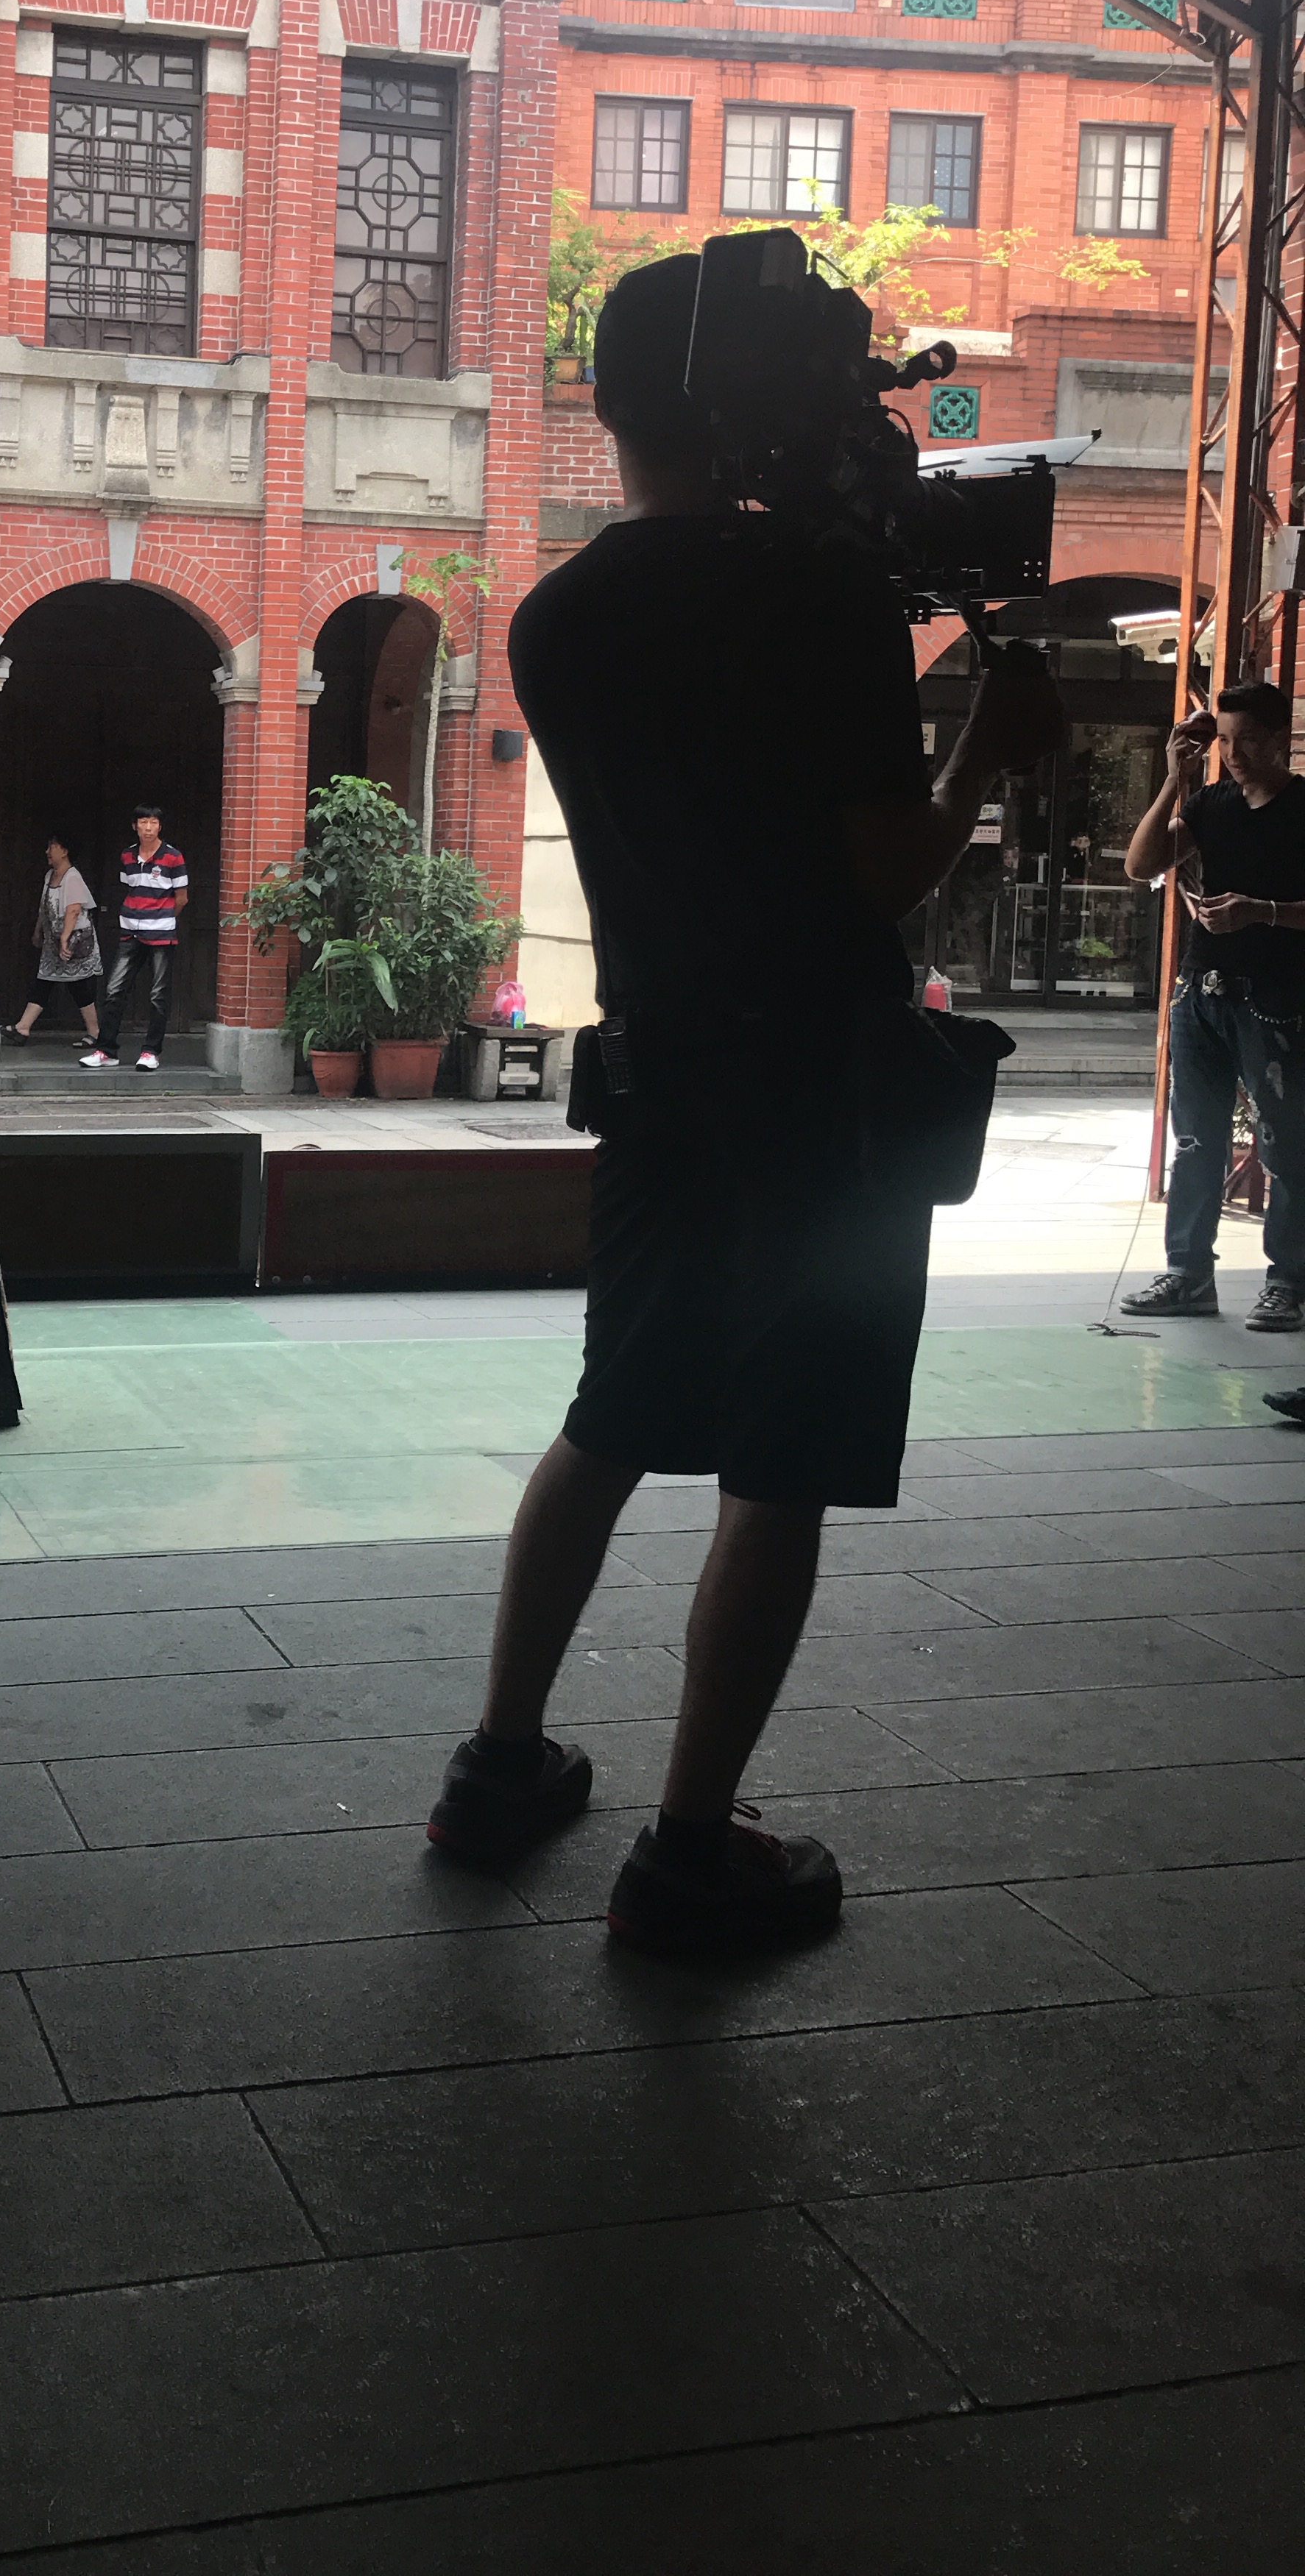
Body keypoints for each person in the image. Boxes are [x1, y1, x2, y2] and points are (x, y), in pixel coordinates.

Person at [422, 252, 1060, 1956]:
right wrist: (984, 743)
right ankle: (692, 1849)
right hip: (822, 1099)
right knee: (781, 1463)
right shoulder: (819, 594)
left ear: (617, 410)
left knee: (611, 1420)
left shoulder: (557, 617)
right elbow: (884, 873)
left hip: (656, 1074)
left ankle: (498, 1766)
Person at [1120, 684, 1305, 1335]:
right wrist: (1175, 779)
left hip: (1278, 999)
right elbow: (1141, 864)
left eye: (1248, 739)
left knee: (1286, 1143)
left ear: (1281, 738)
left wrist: (1264, 912)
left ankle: (1288, 1282)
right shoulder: (1210, 804)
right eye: (1225, 740)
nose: (1235, 753)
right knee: (1196, 1139)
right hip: (1201, 990)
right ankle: (1188, 1272)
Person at [80, 805, 188, 1072]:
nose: (148, 828)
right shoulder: (127, 855)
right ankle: (106, 1051)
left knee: (158, 995)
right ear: (135, 826)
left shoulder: (173, 857)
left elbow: (182, 898)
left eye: (153, 822)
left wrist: (163, 917)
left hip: (161, 933)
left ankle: (151, 1052)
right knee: (114, 991)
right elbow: (128, 887)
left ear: (160, 826)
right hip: (130, 931)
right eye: (143, 822)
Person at [10, 835, 102, 1043]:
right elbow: (45, 907)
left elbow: (74, 910)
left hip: (74, 942)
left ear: (64, 851)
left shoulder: (72, 877)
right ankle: (23, 1028)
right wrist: (38, 931)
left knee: (77, 985)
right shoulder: (50, 876)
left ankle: (95, 1032)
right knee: (45, 981)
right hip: (55, 941)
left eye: (52, 847)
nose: (48, 852)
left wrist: (65, 939)